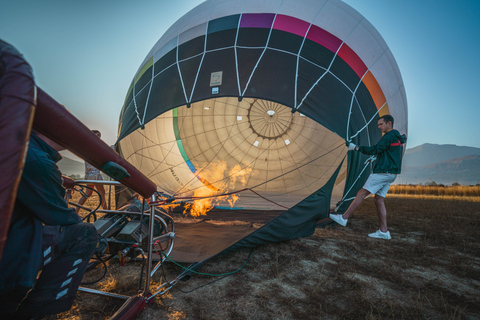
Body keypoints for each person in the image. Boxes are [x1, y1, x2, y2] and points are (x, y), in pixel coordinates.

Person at [0, 132, 98, 319]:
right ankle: (31, 313)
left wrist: (60, 178)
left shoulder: (17, 147)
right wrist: (99, 242)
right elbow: (60, 216)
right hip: (9, 261)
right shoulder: (37, 160)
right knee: (85, 234)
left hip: (7, 237)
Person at [329, 115, 406, 240]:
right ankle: (384, 231)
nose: (379, 127)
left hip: (382, 172)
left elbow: (375, 149)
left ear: (389, 123)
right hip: (391, 173)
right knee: (379, 200)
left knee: (361, 193)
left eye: (381, 124)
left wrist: (356, 147)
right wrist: (378, 157)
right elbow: (389, 153)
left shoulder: (389, 136)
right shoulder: (398, 137)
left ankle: (343, 218)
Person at [76, 130, 107, 213]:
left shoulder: (86, 147)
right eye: (96, 136)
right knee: (102, 193)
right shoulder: (95, 148)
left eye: (99, 137)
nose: (98, 139)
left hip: (89, 174)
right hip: (95, 174)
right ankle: (107, 212)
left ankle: (76, 211)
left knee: (87, 194)